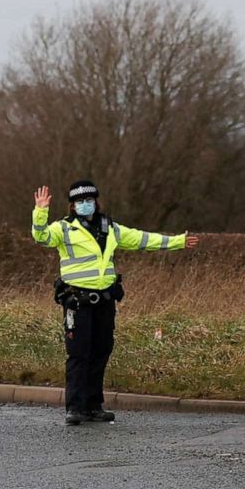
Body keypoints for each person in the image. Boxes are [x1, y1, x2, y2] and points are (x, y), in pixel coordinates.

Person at [32, 180, 200, 425]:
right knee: (79, 355)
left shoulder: (108, 227)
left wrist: (177, 242)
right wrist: (40, 211)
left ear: (96, 202)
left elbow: (143, 239)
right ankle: (75, 408)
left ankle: (94, 405)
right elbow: (41, 237)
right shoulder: (64, 229)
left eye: (89, 200)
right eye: (80, 202)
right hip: (76, 302)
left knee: (101, 351)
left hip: (104, 300)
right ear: (72, 206)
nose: (85, 205)